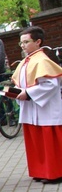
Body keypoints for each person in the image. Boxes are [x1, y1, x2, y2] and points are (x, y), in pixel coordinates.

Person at [12, 27, 62, 183]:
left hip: (45, 108)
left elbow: (51, 84)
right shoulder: (26, 61)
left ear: (38, 41)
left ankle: (55, 172)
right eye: (21, 43)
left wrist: (28, 93)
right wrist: (15, 91)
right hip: (32, 108)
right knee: (36, 141)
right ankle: (40, 171)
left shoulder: (42, 60)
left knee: (49, 141)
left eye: (26, 42)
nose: (23, 45)